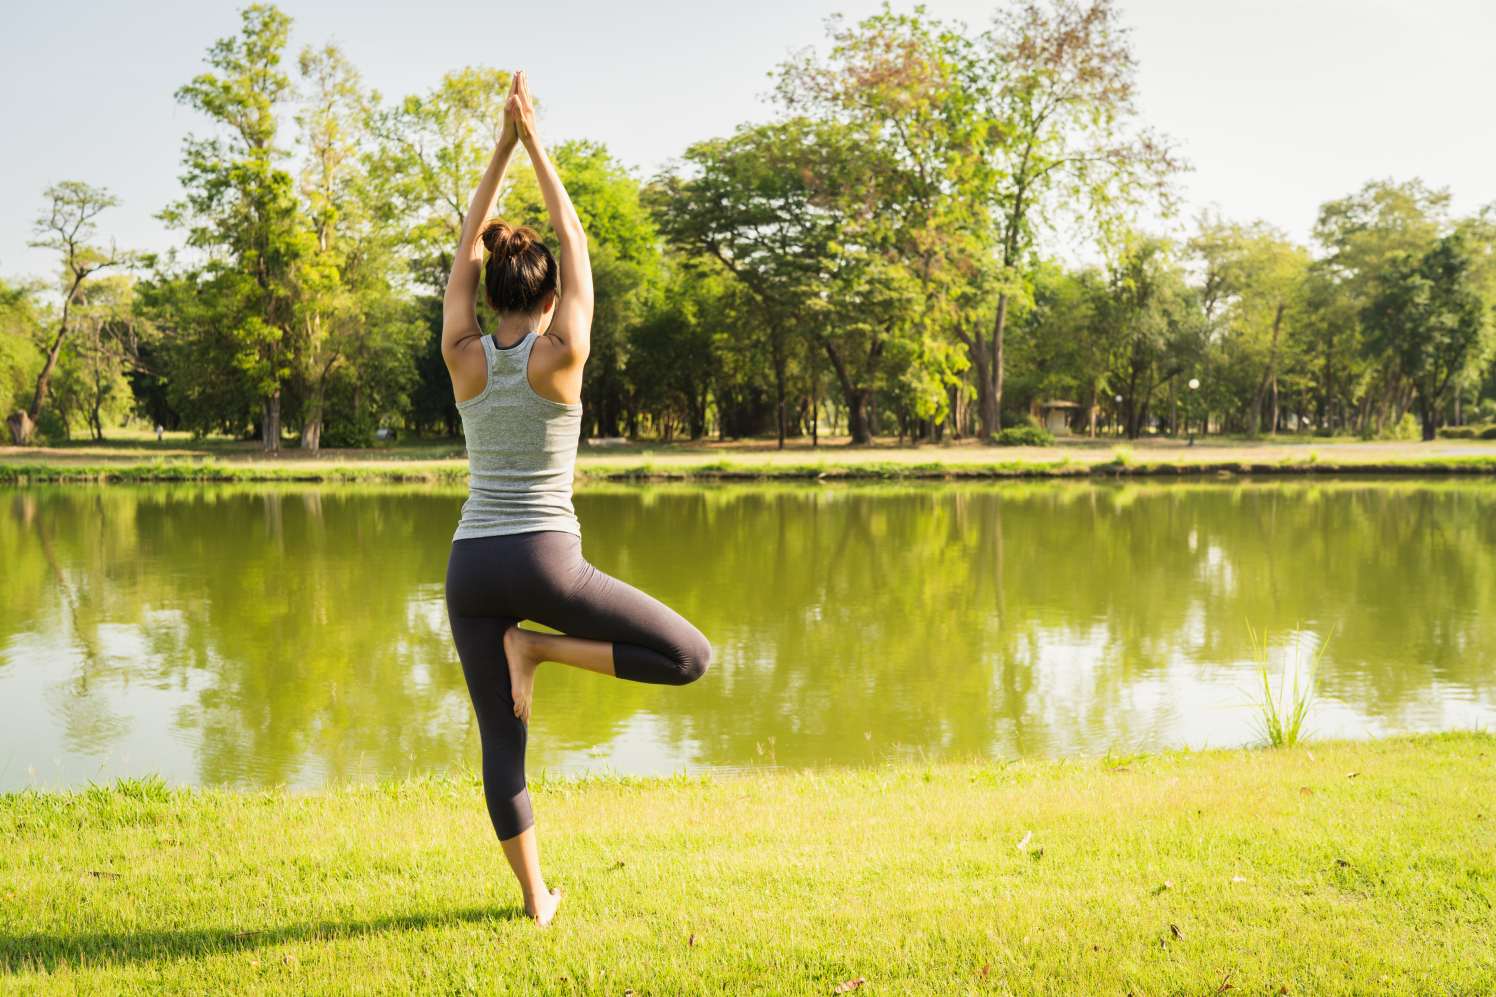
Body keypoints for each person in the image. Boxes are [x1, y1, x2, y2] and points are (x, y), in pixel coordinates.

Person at [440, 71, 713, 928]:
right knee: (689, 657)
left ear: (488, 297)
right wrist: (534, 140)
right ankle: (542, 651)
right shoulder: (564, 353)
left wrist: (501, 146)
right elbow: (576, 235)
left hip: (471, 567)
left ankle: (535, 900)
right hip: (549, 564)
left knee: (501, 742)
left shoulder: (463, 354)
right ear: (551, 296)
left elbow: (463, 246)